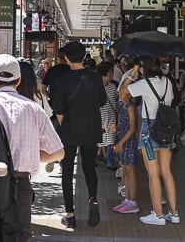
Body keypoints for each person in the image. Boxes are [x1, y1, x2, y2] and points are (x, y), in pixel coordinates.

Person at [0, 54, 64, 241]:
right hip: (19, 188)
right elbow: (58, 152)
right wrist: (34, 155)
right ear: (19, 81)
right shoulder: (34, 109)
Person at [51, 41, 107, 229]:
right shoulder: (96, 78)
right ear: (84, 56)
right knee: (89, 168)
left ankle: (70, 215)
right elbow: (101, 101)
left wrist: (66, 126)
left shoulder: (61, 81)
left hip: (69, 131)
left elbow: (58, 111)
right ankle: (92, 199)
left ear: (66, 57)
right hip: (90, 130)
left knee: (67, 172)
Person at [123, 57, 180, 225]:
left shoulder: (145, 83)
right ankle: (174, 214)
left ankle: (158, 215)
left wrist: (134, 72)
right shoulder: (169, 82)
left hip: (150, 130)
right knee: (166, 172)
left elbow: (123, 92)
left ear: (143, 68)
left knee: (153, 173)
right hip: (167, 128)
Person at [111, 75, 139, 214]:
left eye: (123, 91)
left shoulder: (130, 107)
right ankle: (128, 200)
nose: (121, 93)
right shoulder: (122, 105)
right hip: (122, 139)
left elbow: (133, 128)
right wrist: (115, 129)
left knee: (130, 170)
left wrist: (121, 142)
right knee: (125, 171)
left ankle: (133, 201)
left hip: (128, 141)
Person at [97, 62, 119, 169]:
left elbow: (115, 101)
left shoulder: (113, 87)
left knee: (111, 139)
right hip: (100, 118)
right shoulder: (96, 87)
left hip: (111, 118)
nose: (112, 75)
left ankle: (109, 161)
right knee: (101, 140)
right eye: (111, 73)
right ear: (106, 74)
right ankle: (105, 156)